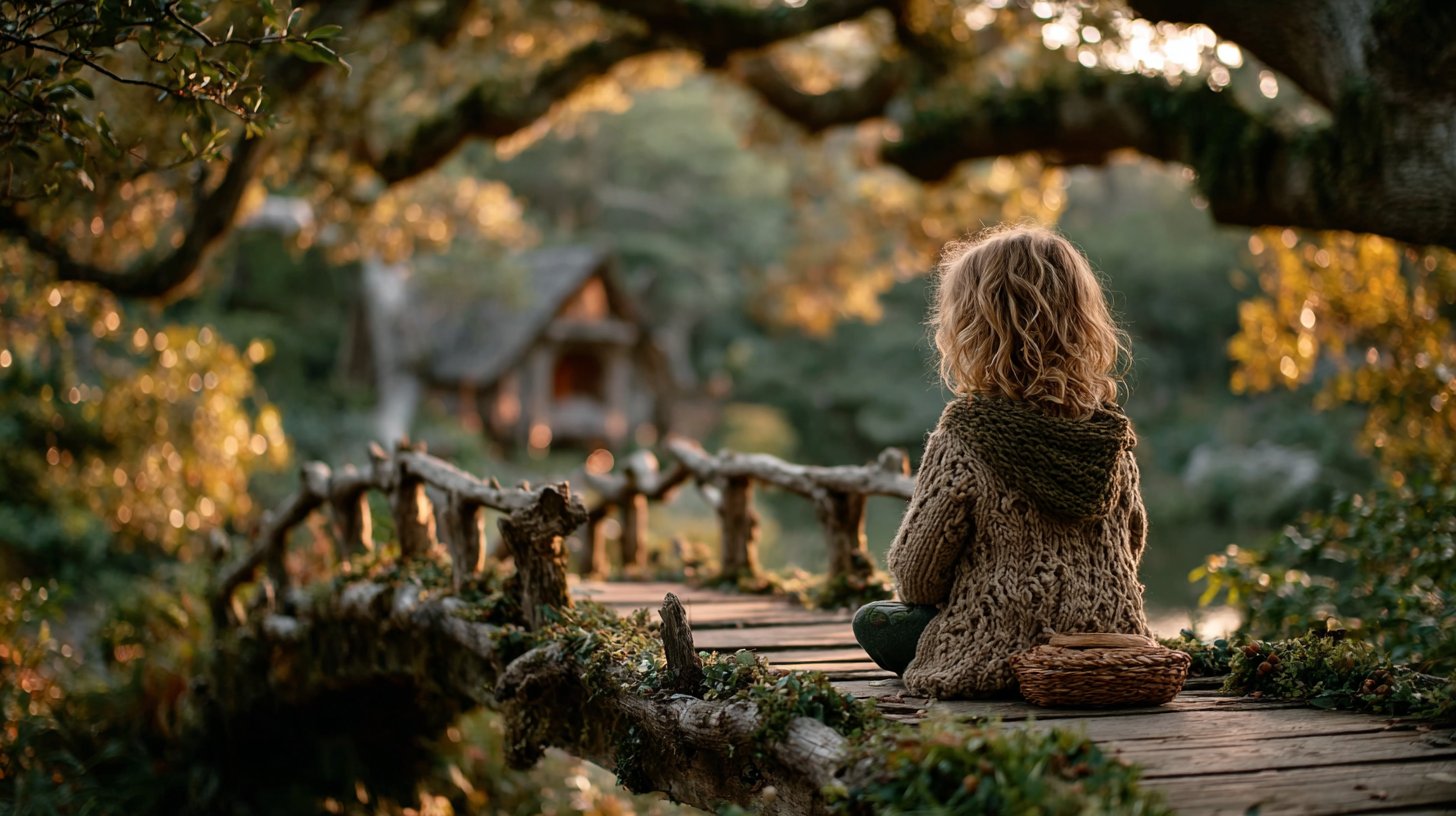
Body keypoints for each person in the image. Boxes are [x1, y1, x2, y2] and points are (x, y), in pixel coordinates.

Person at [852, 224, 1151, 699]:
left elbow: (917, 575)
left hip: (993, 651)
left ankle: (983, 656)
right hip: (1108, 647)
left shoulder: (967, 432)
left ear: (971, 327)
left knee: (876, 619)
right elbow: (1131, 544)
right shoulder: (1110, 434)